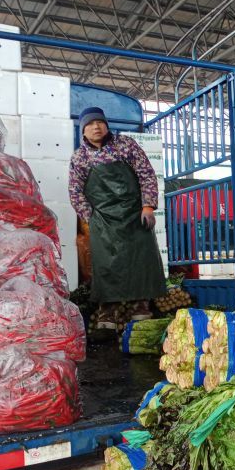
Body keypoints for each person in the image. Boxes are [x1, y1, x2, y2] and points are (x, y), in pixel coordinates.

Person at [69, 107, 167, 330]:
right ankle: (108, 311)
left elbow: (146, 174)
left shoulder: (126, 145)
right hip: (103, 219)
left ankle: (140, 306)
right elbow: (75, 191)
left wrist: (148, 206)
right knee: (106, 264)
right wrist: (90, 217)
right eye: (90, 124)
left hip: (135, 214)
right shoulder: (80, 158)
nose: (96, 127)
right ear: (83, 131)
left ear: (106, 125)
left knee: (140, 259)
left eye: (100, 123)